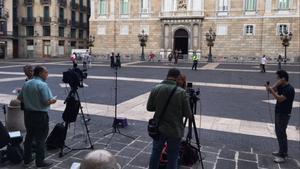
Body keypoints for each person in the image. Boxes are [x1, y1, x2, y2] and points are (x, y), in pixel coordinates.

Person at [147, 68, 192, 169]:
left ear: (167, 75)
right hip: (175, 129)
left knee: (155, 152)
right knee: (173, 155)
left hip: (159, 128)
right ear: (177, 77)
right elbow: (188, 114)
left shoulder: (156, 88)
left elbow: (149, 108)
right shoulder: (181, 92)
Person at [18, 66, 57, 167]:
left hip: (28, 114)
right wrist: (53, 100)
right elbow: (45, 102)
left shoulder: (26, 83)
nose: (47, 74)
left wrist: (30, 103)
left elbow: (20, 98)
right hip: (40, 115)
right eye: (46, 72)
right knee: (40, 138)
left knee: (29, 136)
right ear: (40, 73)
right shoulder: (42, 85)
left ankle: (27, 158)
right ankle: (40, 161)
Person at [265, 70, 295, 163]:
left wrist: (273, 90)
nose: (277, 79)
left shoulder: (289, 89)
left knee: (281, 133)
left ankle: (282, 155)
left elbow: (280, 99)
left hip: (284, 113)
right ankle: (281, 151)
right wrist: (271, 87)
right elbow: (271, 91)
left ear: (283, 79)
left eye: (278, 78)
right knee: (278, 132)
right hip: (278, 112)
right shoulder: (281, 86)